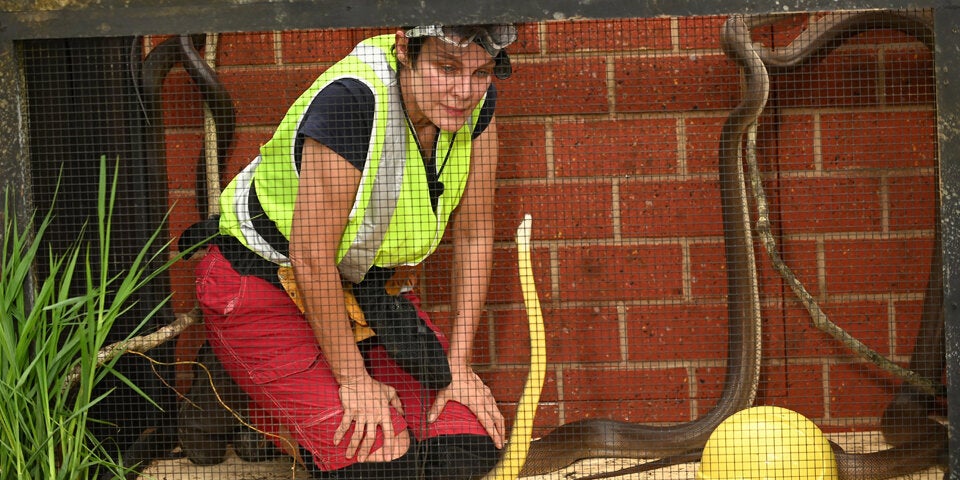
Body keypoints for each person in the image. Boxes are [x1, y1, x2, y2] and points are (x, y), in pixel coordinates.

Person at [192, 23, 516, 479]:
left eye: (481, 73)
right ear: (405, 48)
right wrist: (353, 380)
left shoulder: (474, 106)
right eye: (446, 68)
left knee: (463, 454)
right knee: (381, 466)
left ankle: (289, 391)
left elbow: (475, 232)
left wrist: (457, 366)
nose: (464, 91)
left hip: (365, 295)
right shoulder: (351, 101)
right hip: (264, 281)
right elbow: (310, 257)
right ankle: (253, 393)